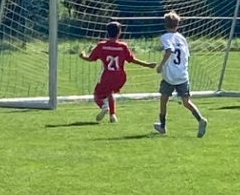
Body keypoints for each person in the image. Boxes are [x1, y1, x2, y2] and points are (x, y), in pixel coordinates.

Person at [83, 20, 151, 123]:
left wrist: (83, 56)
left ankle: (104, 106)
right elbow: (132, 60)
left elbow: (90, 59)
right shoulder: (123, 46)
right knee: (109, 93)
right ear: (119, 33)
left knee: (97, 95)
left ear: (107, 32)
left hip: (107, 75)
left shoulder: (101, 45)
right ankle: (112, 115)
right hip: (120, 76)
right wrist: (147, 64)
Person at [154, 10, 209, 138]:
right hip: (182, 74)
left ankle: (162, 126)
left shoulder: (165, 37)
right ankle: (200, 119)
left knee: (163, 99)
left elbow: (169, 50)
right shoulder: (182, 38)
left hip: (170, 75)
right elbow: (186, 55)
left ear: (165, 24)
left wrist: (161, 65)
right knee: (186, 102)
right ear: (177, 25)